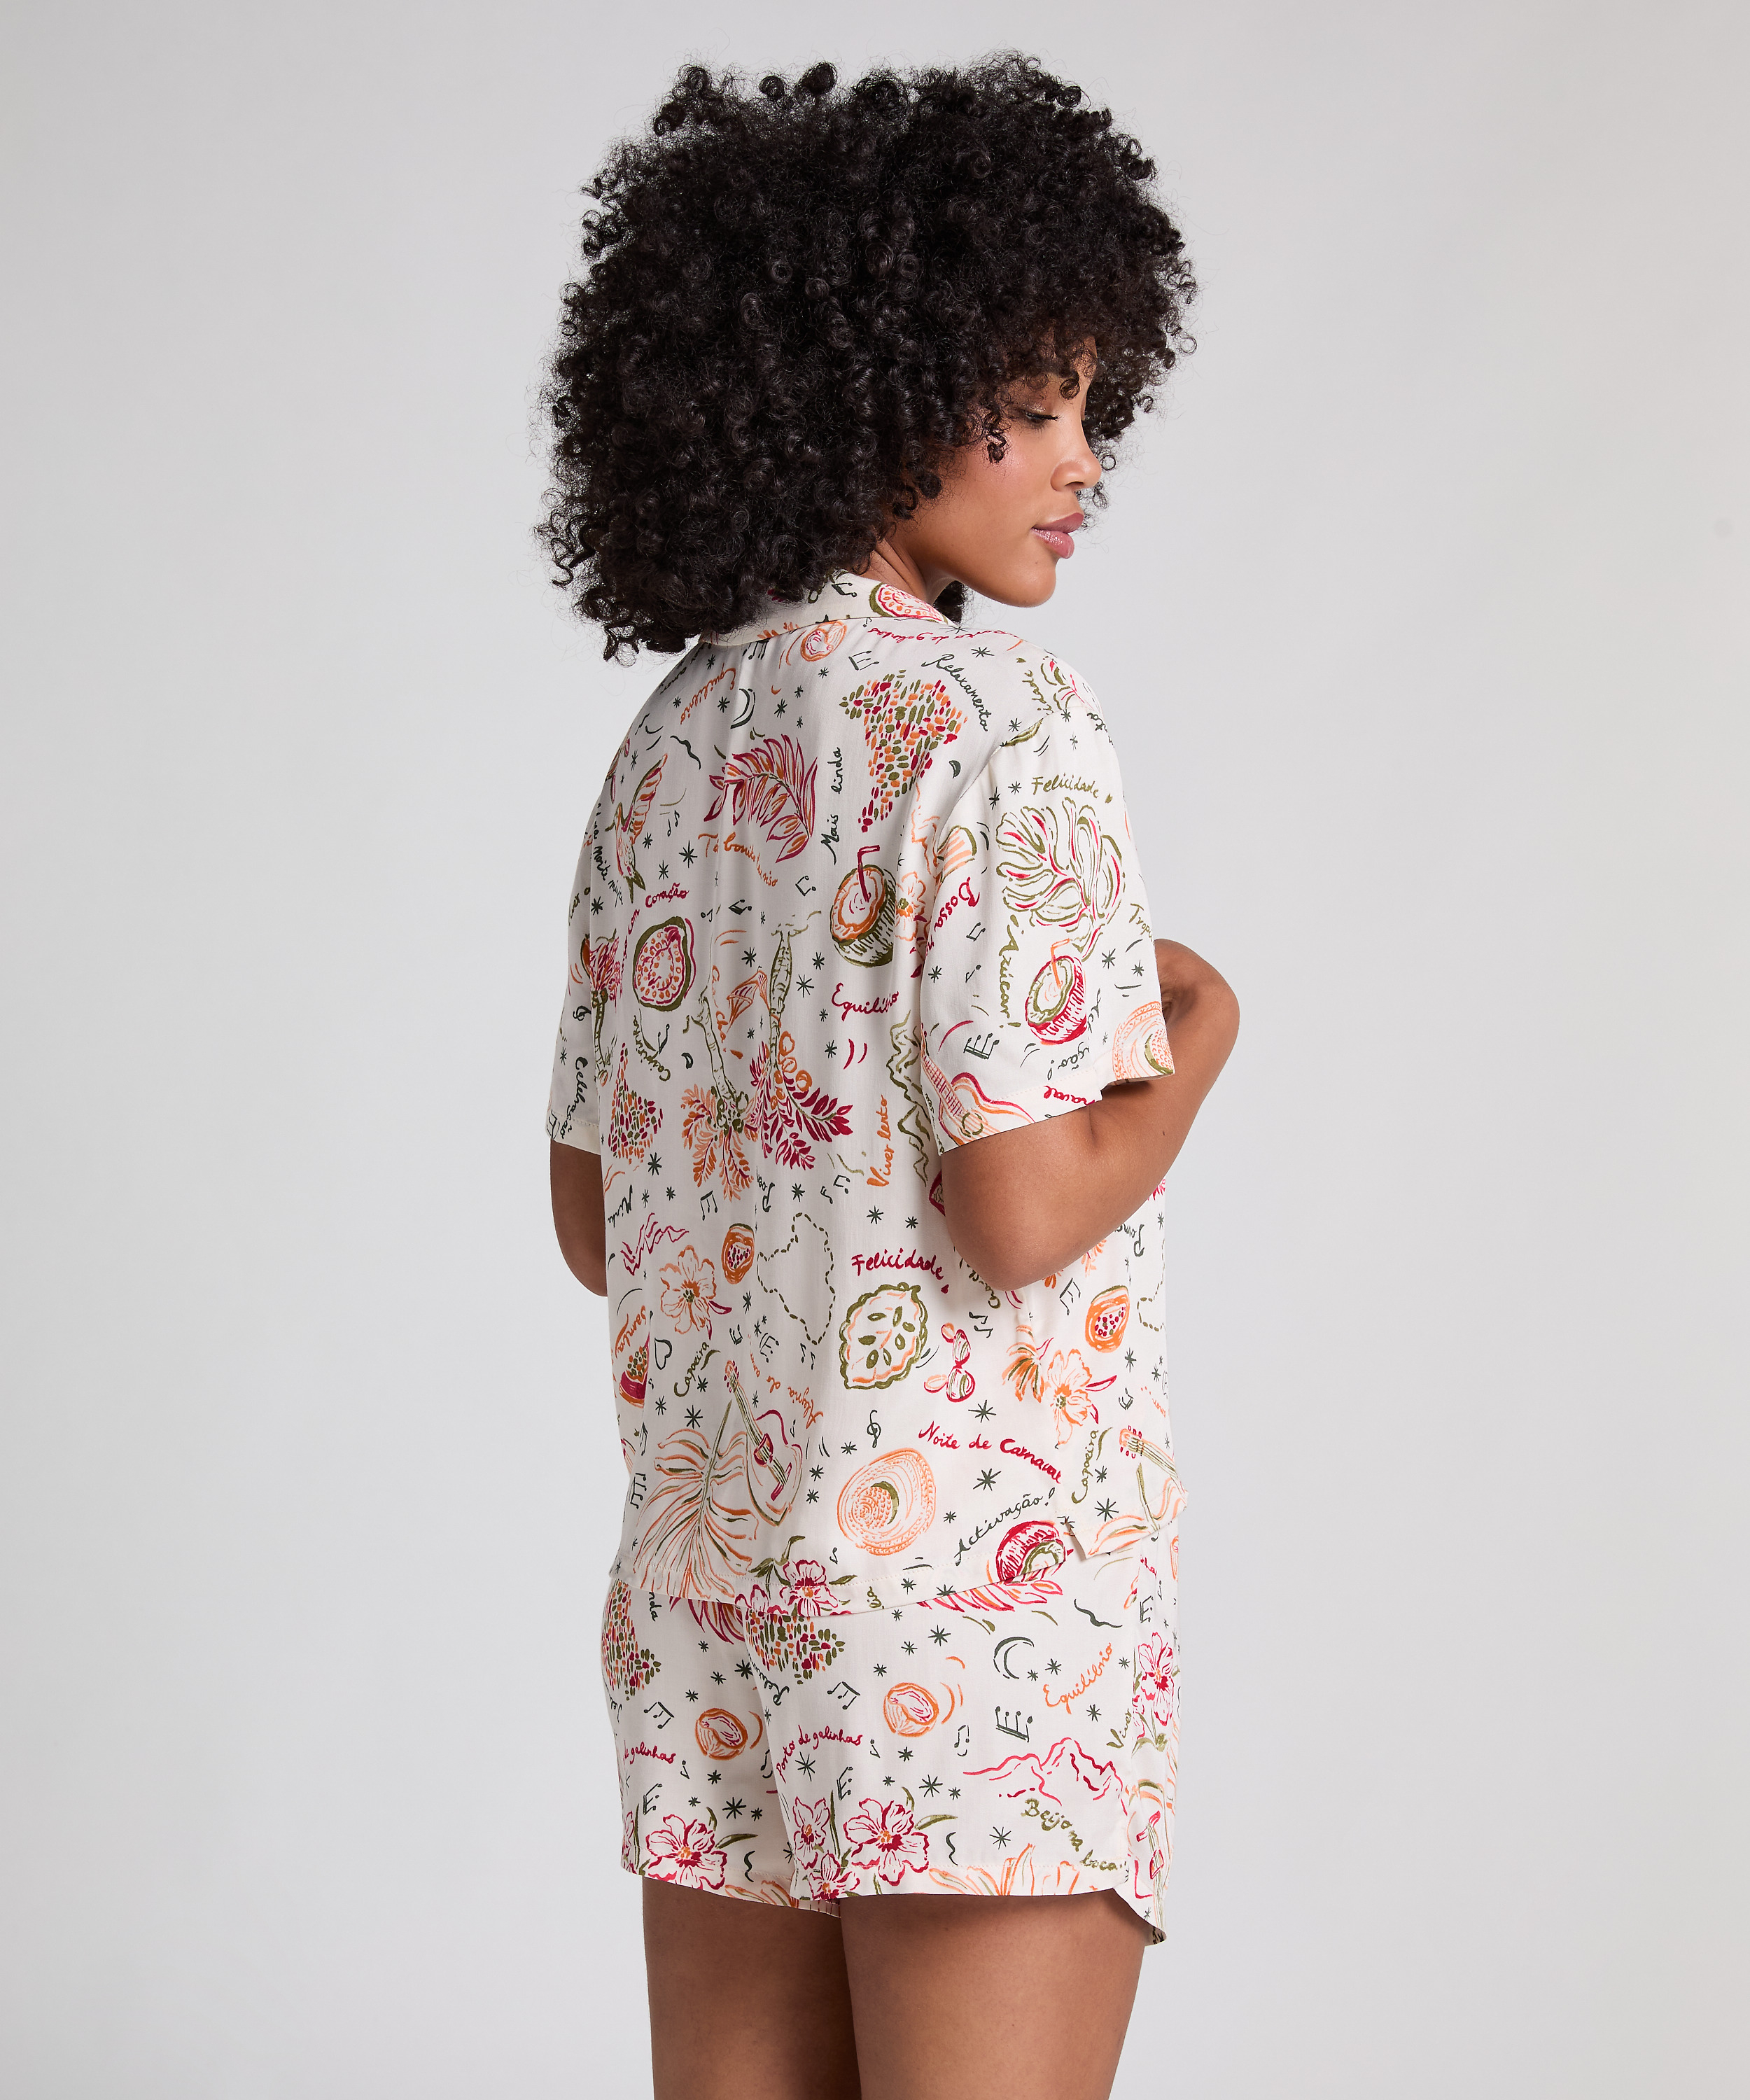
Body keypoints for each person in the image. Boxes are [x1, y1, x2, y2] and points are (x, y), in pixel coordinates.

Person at [541, 56, 1238, 2100]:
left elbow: (597, 1222)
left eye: (1094, 409)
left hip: (723, 1612)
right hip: (973, 1617)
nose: (1081, 462)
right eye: (1029, 407)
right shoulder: (997, 727)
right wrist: (1201, 1038)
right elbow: (1015, 1209)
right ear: (861, 391)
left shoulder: (670, 748)